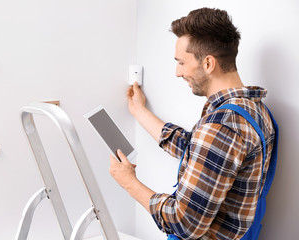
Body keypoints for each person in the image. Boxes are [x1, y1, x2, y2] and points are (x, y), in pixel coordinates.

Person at [109, 7, 277, 240]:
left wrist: (129, 183)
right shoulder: (254, 110)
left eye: (181, 62)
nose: (177, 73)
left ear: (208, 64)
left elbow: (183, 222)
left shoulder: (222, 126)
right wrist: (138, 110)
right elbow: (197, 150)